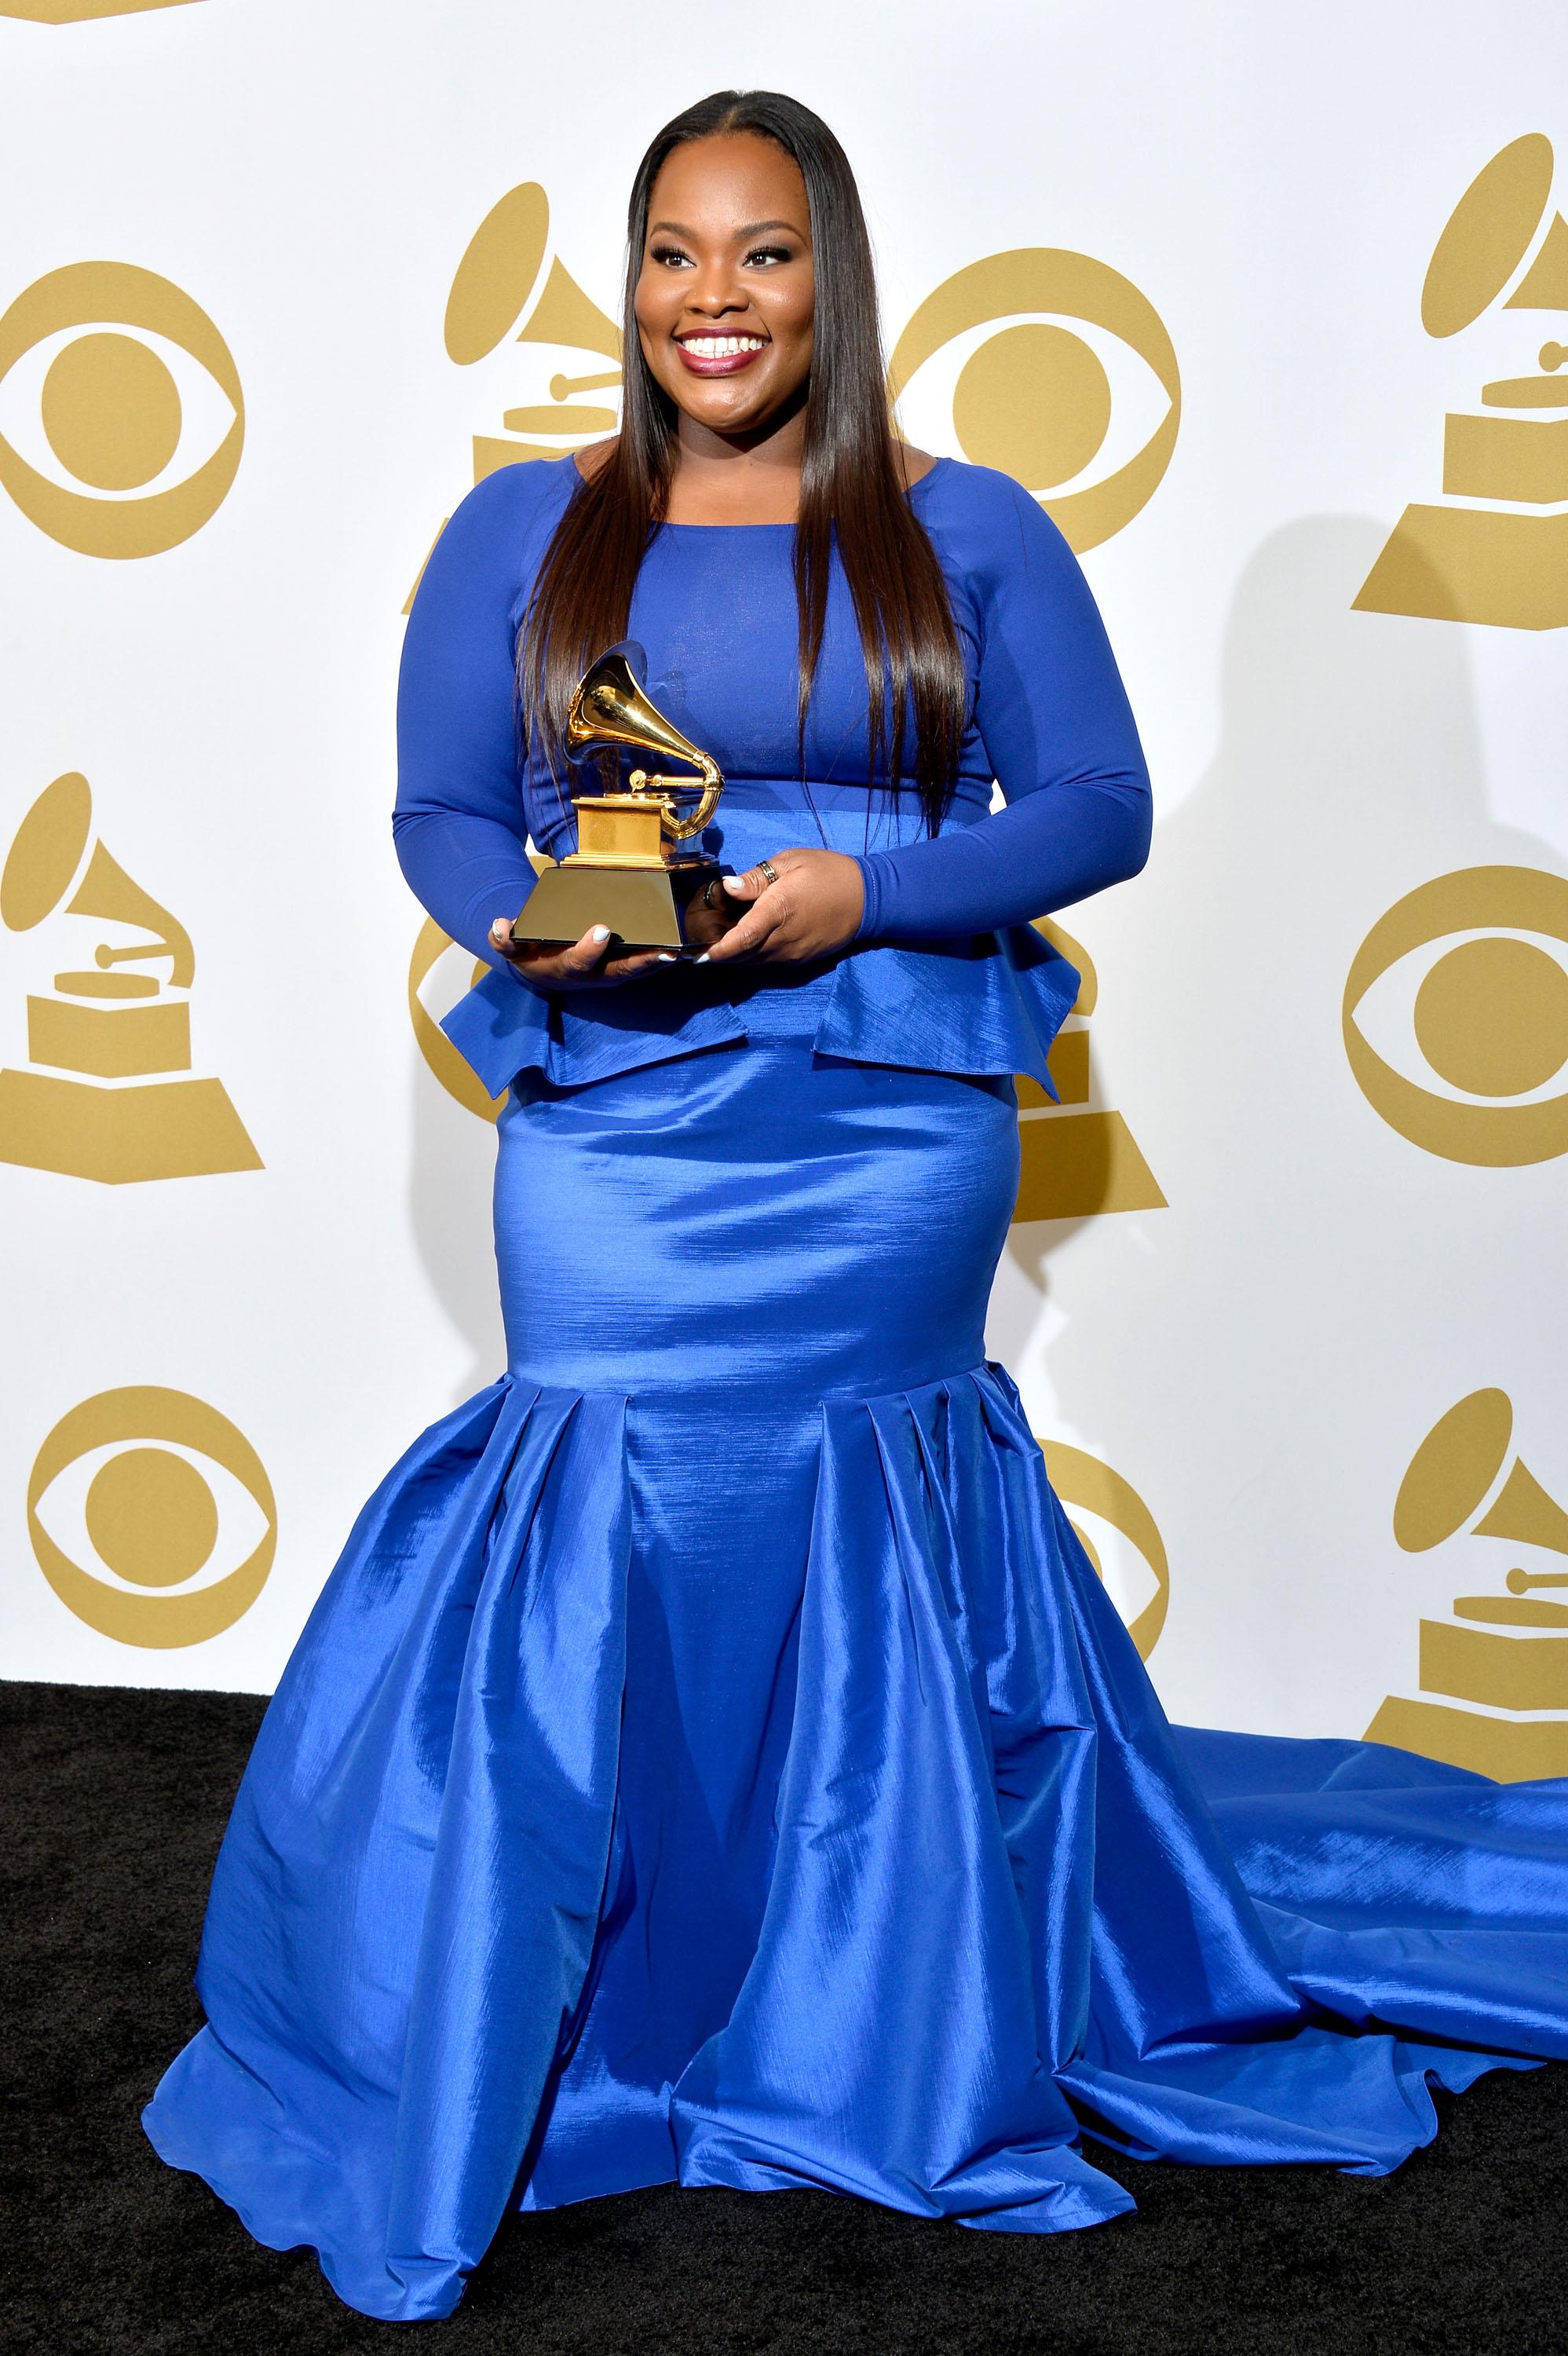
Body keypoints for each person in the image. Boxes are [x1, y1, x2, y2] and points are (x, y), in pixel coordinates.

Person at [141, 90, 1568, 2325]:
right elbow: (437, 805)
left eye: (768, 255)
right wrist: (522, 922)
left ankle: (873, 2003)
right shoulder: (526, 527)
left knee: (860, 1497)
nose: (719, 301)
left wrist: (862, 893)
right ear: (630, 286)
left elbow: (1092, 804)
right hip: (612, 1098)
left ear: (837, 276)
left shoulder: (962, 524)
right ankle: (606, 1990)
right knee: (611, 1464)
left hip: (885, 1108)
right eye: (678, 256)